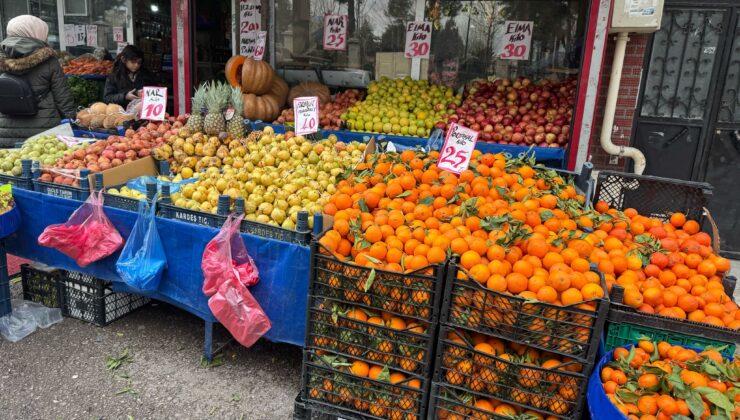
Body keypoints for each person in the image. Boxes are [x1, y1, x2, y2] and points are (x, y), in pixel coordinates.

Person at [0, 15, 75, 148]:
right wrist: (72, 120)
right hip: (42, 134)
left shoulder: (2, 59)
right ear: (36, 32)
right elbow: (63, 99)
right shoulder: (49, 61)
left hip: (6, 131)